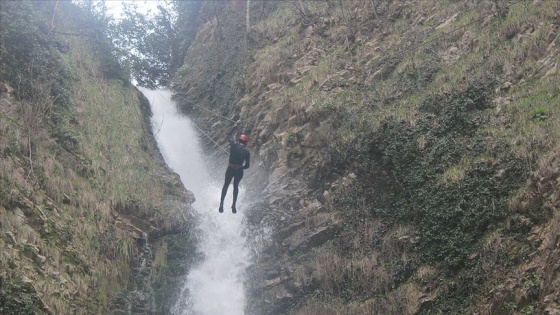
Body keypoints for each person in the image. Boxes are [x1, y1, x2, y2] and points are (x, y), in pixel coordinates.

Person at [219, 122, 250, 213]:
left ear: (239, 140)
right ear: (246, 143)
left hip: (230, 168)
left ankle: (221, 204)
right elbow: (247, 166)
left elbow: (228, 135)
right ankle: (233, 205)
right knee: (236, 186)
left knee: (226, 185)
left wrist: (235, 126)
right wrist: (241, 167)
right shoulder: (247, 151)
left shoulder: (233, 144)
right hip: (239, 171)